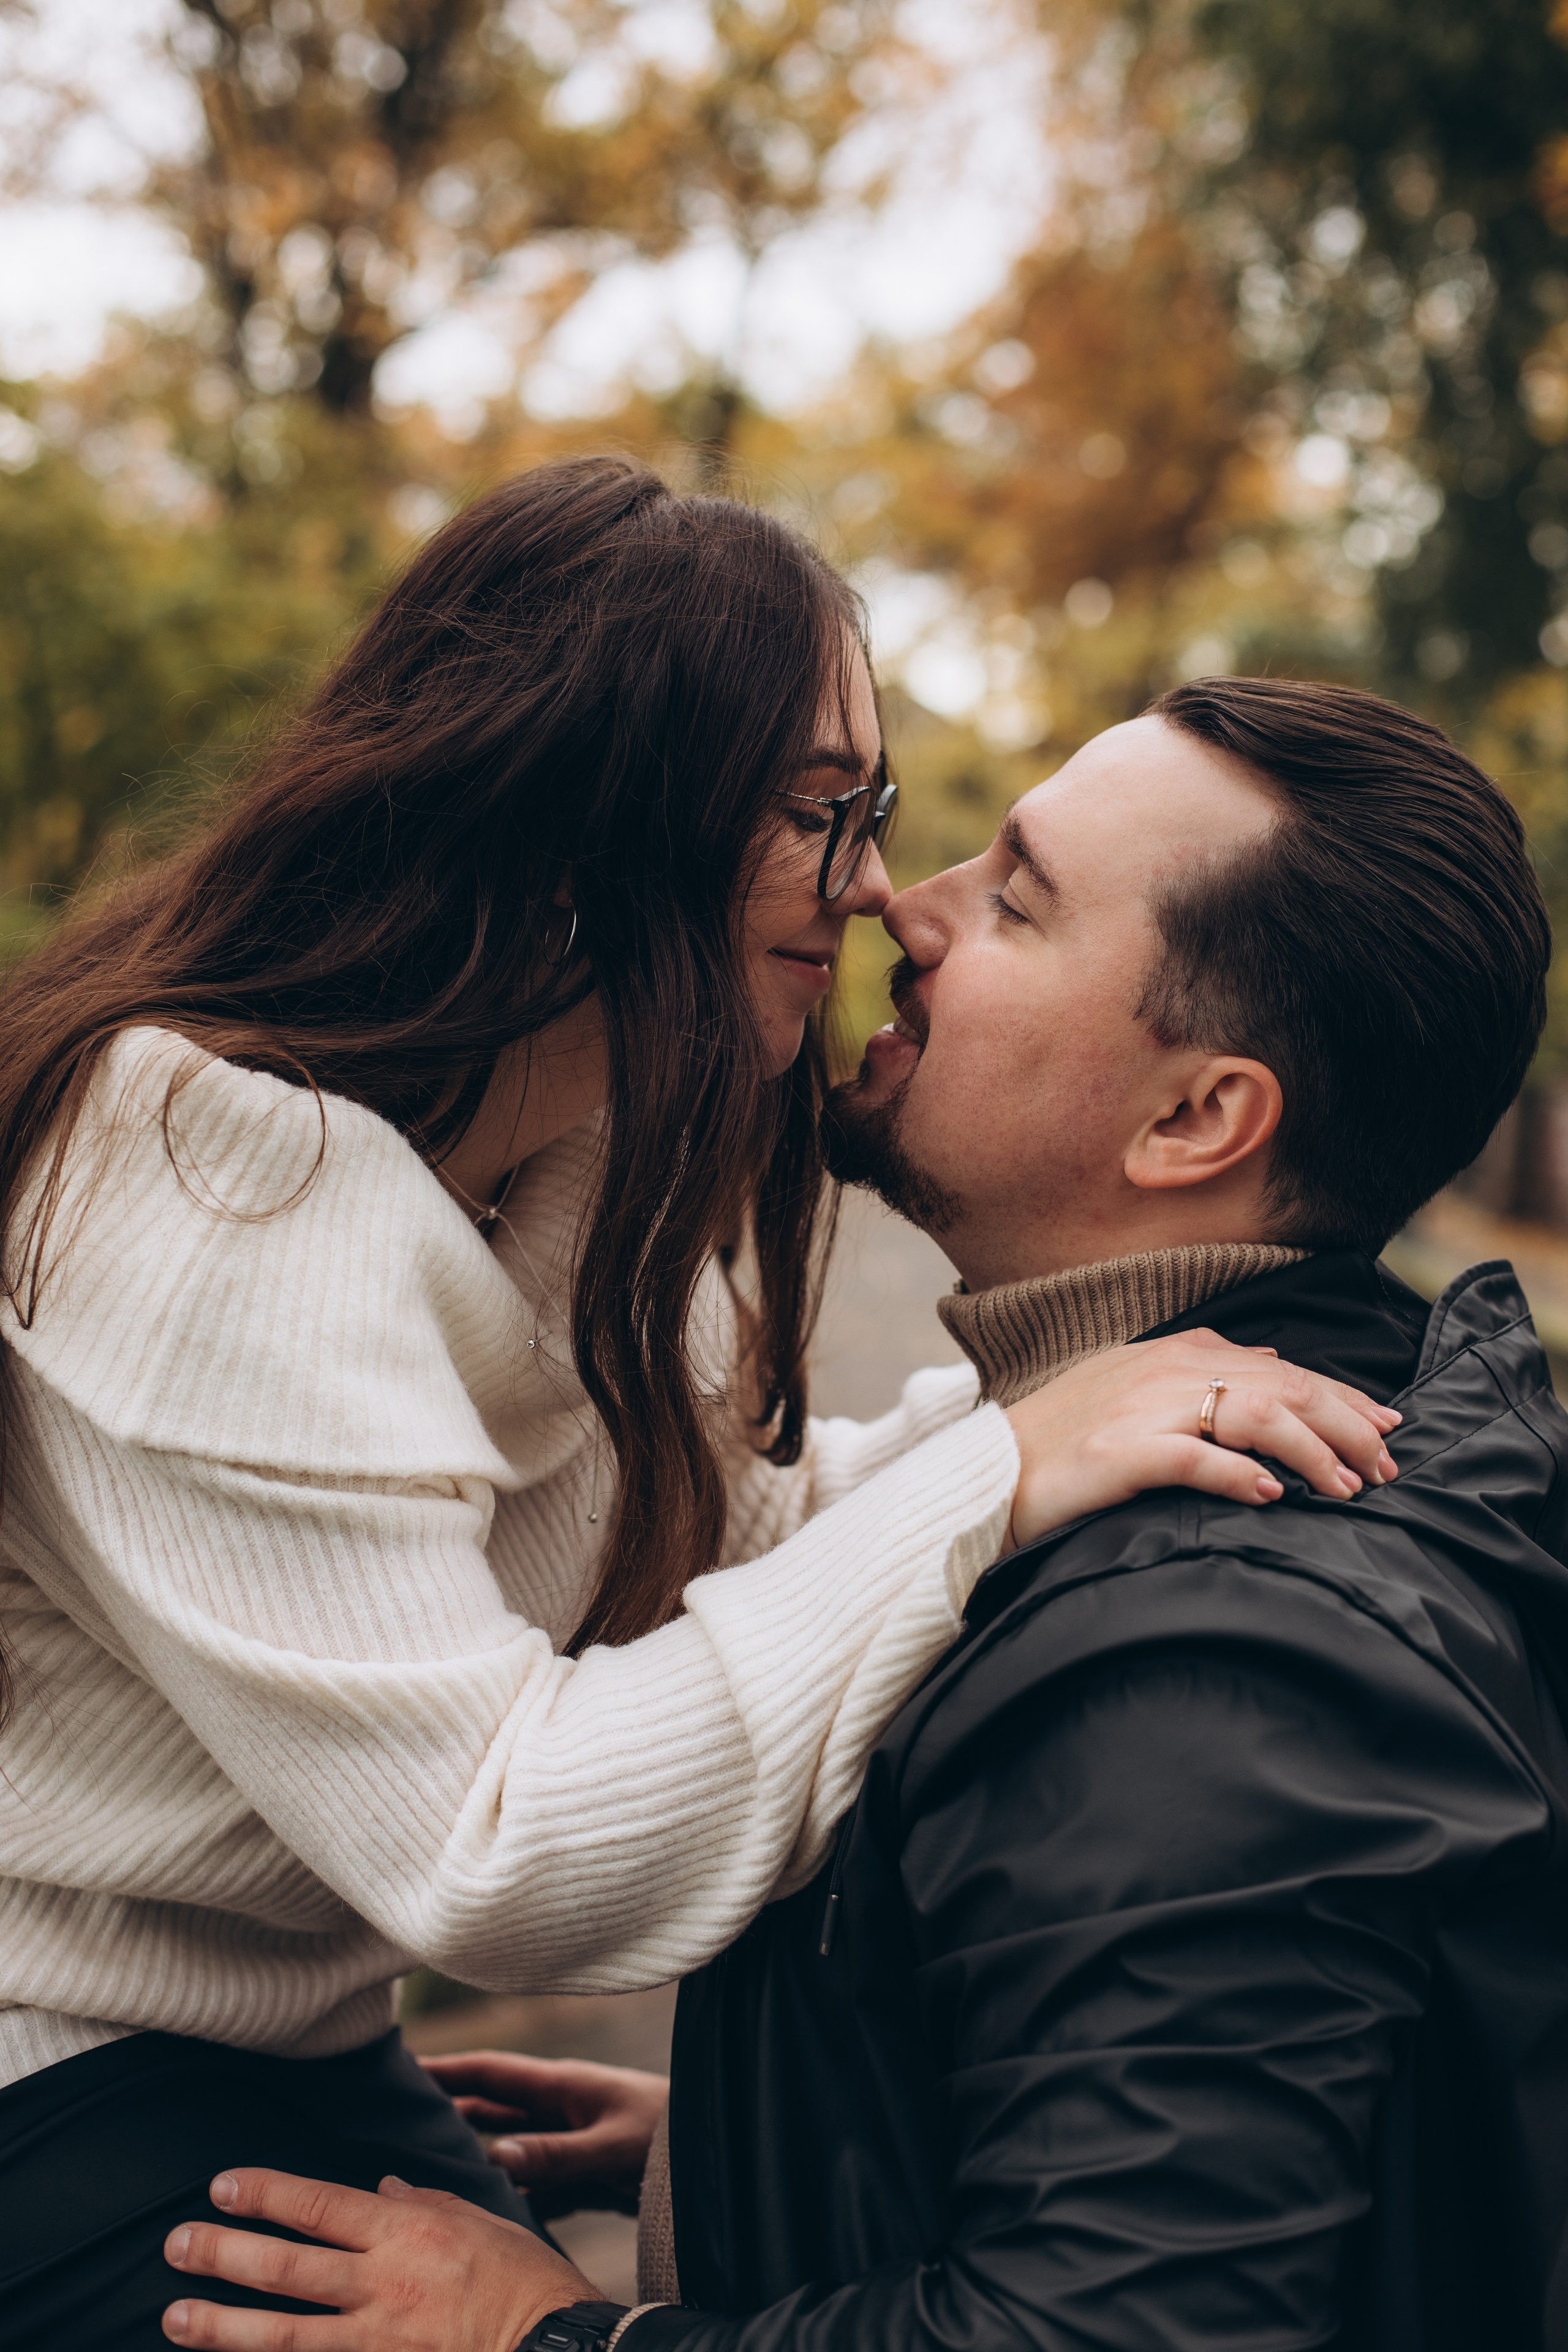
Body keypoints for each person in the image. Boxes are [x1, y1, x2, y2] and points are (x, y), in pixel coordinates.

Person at [0, 466, 1387, 2352]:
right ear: (593, 819)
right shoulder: (205, 1174)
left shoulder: (591, 1171)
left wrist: (1089, 1420)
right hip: (59, 2063)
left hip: (304, 2027)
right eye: (827, 814)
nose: (884, 888)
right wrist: (1000, 1465)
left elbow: (757, 1560)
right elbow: (497, 1845)